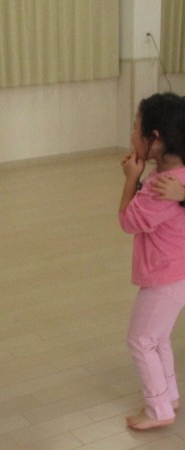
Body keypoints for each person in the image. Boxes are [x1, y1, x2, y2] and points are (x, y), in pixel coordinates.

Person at [119, 92, 185, 430]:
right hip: (177, 274)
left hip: (165, 277)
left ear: (155, 138)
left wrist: (132, 178)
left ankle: (159, 410)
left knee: (140, 339)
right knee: (157, 337)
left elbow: (128, 221)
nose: (132, 134)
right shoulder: (178, 176)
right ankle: (168, 397)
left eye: (136, 127)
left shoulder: (160, 187)